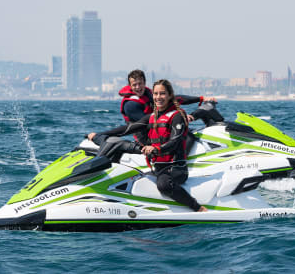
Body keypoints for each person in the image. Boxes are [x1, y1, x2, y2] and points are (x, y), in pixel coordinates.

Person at [88, 79, 208, 212]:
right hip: (158, 167)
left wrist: (156, 149)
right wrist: (99, 135)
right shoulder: (152, 117)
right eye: (156, 94)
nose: (158, 97)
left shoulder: (177, 116)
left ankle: (197, 207)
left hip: (176, 169)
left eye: (162, 94)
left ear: (169, 96)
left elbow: (175, 142)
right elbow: (127, 129)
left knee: (164, 186)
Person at [119, 69, 217, 124]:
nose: (138, 87)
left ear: (144, 83)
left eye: (140, 84)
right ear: (130, 86)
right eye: (134, 85)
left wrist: (201, 99)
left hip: (162, 127)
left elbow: (176, 99)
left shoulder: (148, 94)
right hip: (147, 137)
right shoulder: (130, 105)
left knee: (203, 111)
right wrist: (178, 118)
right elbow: (148, 121)